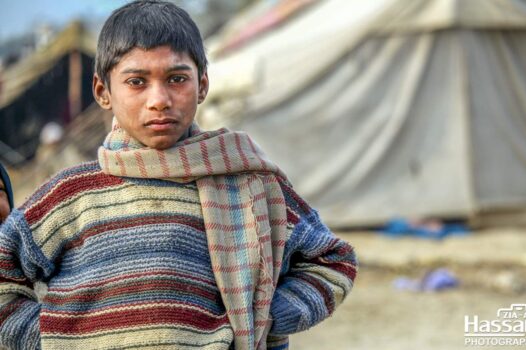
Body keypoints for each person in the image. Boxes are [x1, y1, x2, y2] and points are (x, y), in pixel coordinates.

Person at [0, 1, 357, 349]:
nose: (159, 99)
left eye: (176, 79)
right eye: (137, 81)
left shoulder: (247, 181)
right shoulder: (70, 194)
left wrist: (262, 317)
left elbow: (331, 261)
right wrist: (46, 337)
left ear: (202, 86)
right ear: (102, 92)